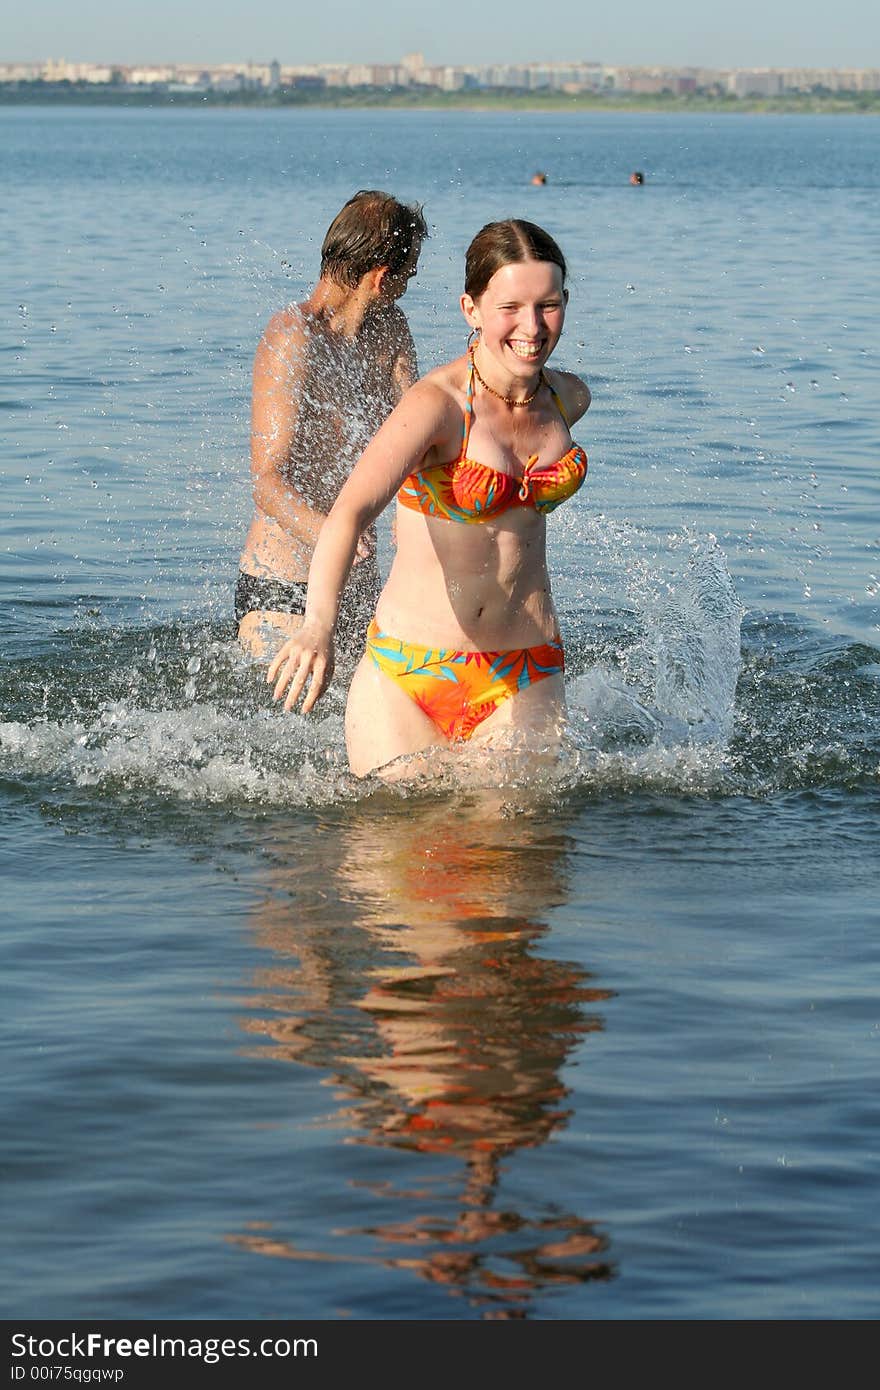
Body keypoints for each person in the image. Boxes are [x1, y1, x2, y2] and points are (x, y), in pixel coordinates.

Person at [267, 218, 591, 778]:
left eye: (549, 305)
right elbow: (348, 514)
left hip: (527, 669)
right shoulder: (436, 407)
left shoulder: (568, 399)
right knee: (400, 848)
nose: (532, 327)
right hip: (408, 675)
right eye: (510, 307)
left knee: (516, 856)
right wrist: (318, 624)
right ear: (472, 310)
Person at [236, 190, 427, 659]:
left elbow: (420, 439)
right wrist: (331, 534)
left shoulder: (391, 331)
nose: (409, 286)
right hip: (284, 586)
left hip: (361, 589)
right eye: (410, 275)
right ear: (382, 279)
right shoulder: (291, 337)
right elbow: (266, 480)